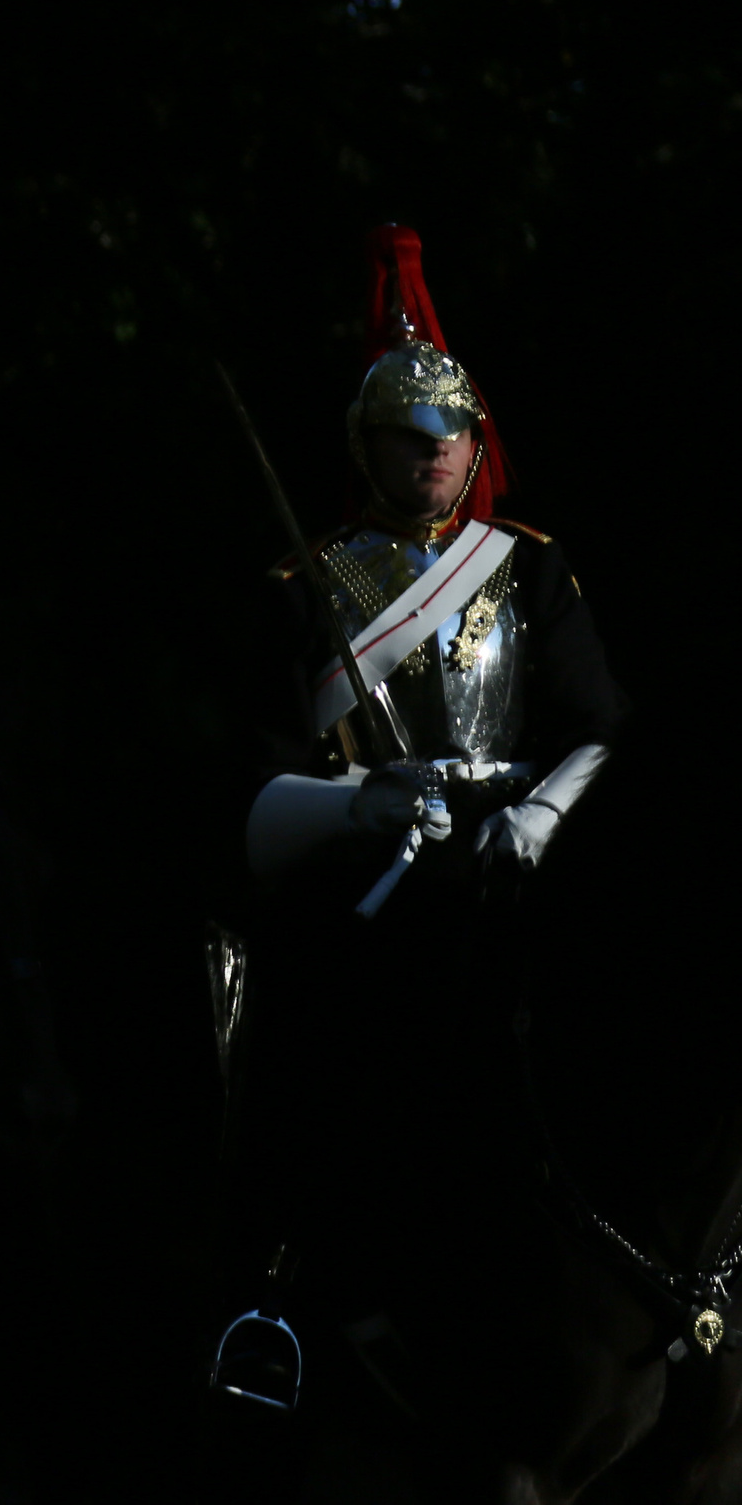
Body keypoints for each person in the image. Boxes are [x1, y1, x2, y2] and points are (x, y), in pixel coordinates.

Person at [208, 226, 629, 1410]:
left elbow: (601, 723)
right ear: (369, 443)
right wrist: (361, 801)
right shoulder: (310, 585)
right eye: (410, 430)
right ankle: (274, 1300)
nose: (437, 449)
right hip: (370, 875)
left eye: (453, 431)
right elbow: (251, 783)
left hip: (515, 861)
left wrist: (540, 812)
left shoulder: (529, 568)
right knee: (305, 1039)